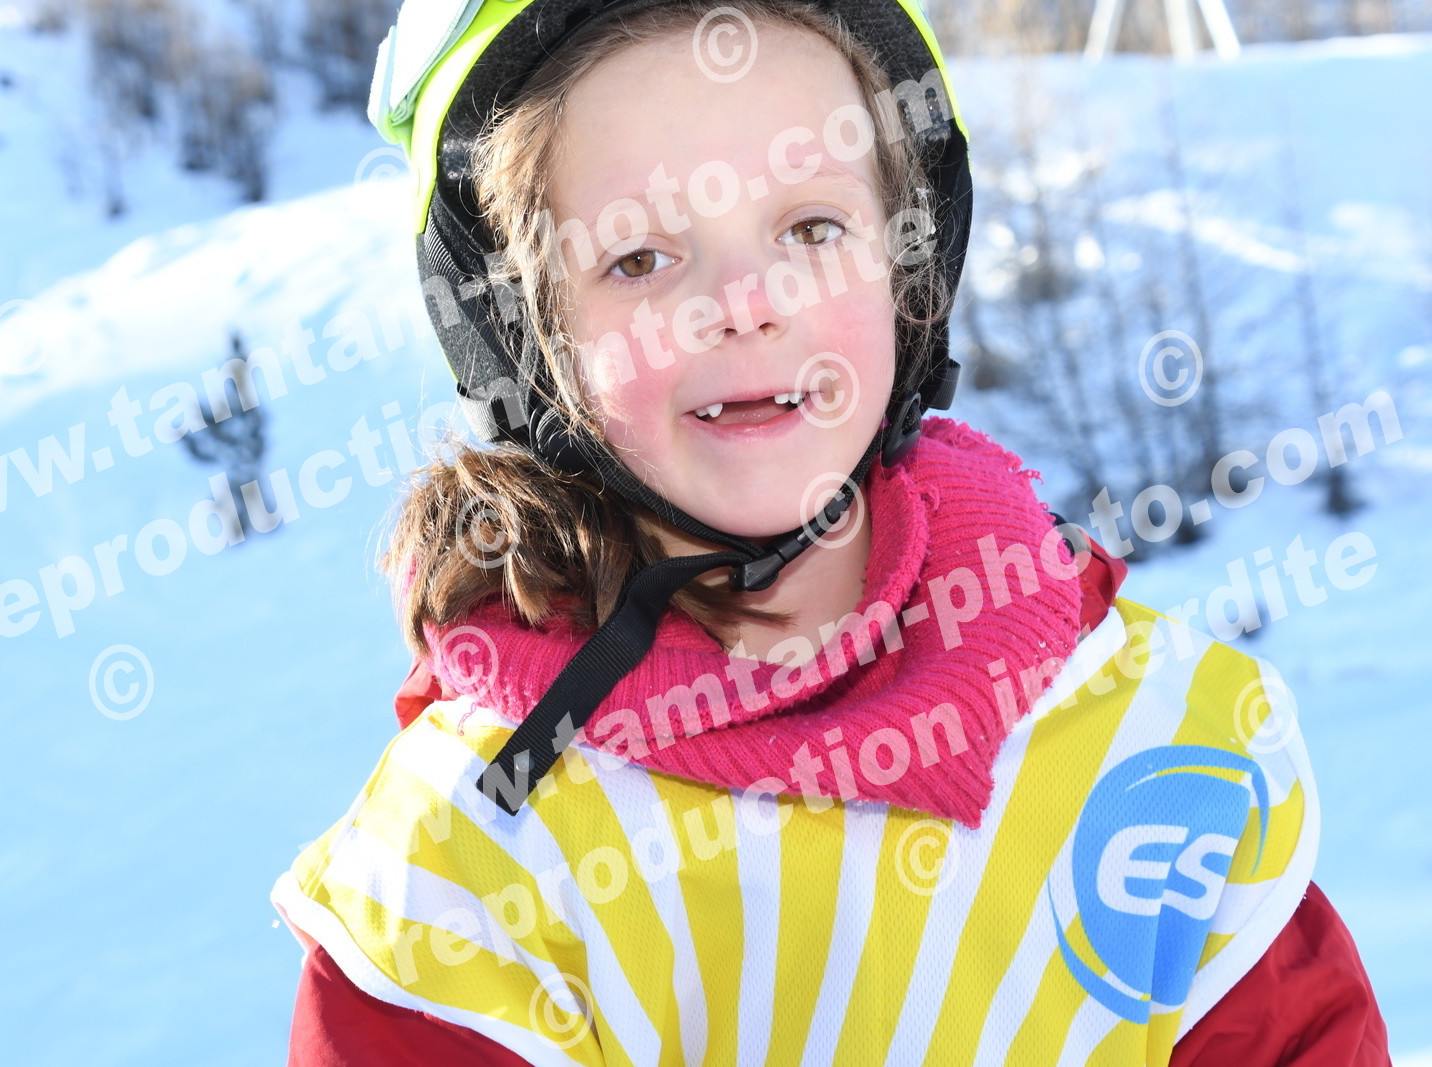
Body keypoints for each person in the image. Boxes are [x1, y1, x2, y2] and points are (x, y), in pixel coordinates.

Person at [272, 0, 1391, 1062]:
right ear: (523, 331)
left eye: (811, 227)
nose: (743, 301)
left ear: (908, 259)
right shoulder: (472, 863)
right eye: (638, 258)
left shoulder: (1161, 745)